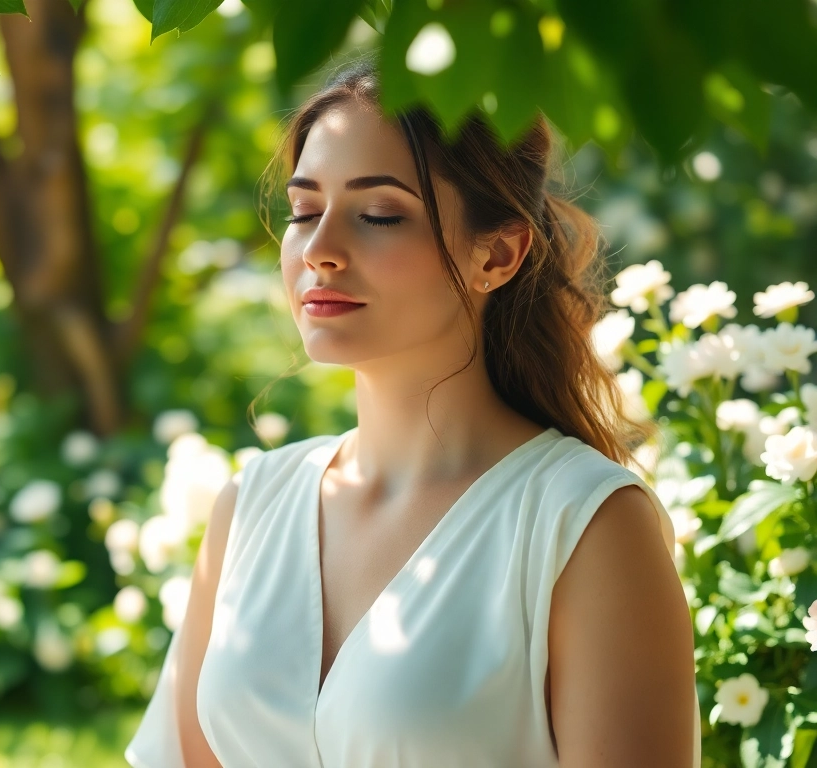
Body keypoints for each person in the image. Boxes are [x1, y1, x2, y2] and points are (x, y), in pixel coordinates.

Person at [124, 58, 701, 768]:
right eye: (304, 211)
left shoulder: (582, 523)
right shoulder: (251, 506)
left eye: (379, 215)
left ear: (497, 253)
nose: (320, 251)